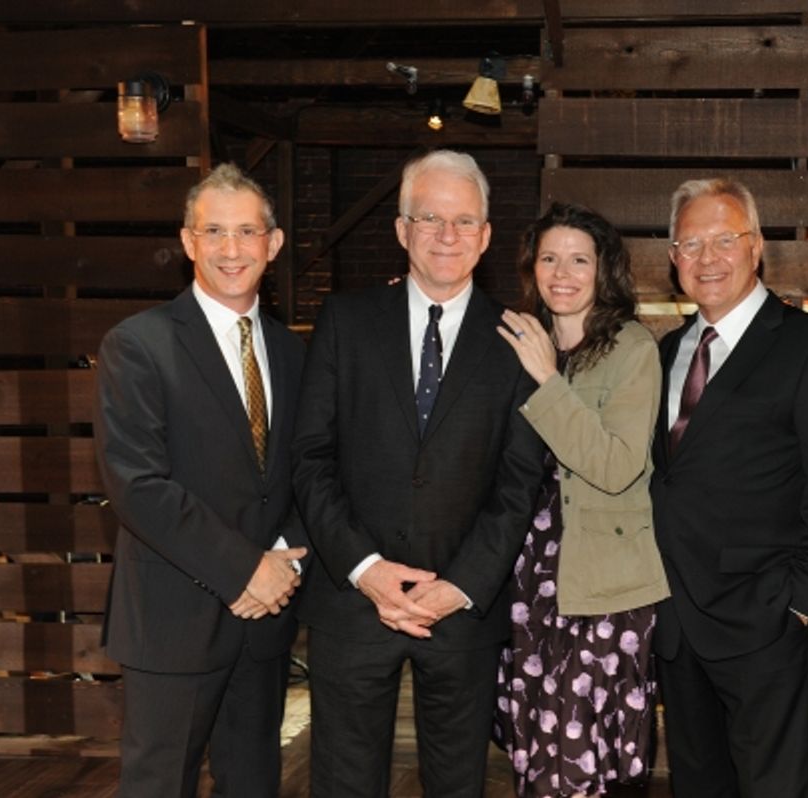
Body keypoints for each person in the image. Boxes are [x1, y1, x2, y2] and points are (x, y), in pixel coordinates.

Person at [291, 149, 543, 797]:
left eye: (464, 221)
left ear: (486, 237)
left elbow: (519, 483)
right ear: (401, 229)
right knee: (344, 782)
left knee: (458, 783)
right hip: (351, 602)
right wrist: (364, 569)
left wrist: (460, 586)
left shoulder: (517, 339)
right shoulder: (345, 323)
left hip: (460, 609)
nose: (446, 235)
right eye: (429, 217)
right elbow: (310, 459)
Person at [94, 163, 309, 797]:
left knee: (253, 784)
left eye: (247, 232)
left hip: (264, 624)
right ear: (188, 243)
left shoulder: (295, 352)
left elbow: (311, 473)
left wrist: (283, 566)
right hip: (174, 622)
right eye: (213, 231)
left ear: (273, 244)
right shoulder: (138, 346)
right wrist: (247, 569)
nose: (231, 249)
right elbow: (138, 484)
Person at [650, 178, 808, 797]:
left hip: (762, 621)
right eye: (690, 244)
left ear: (757, 247)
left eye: (725, 239)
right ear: (673, 259)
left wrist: (802, 605)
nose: (707, 257)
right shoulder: (667, 352)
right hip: (676, 621)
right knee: (696, 783)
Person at [493, 203, 669, 797]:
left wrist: (548, 380)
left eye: (578, 259)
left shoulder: (631, 348)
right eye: (549, 258)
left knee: (580, 757)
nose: (561, 272)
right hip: (523, 579)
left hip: (601, 584)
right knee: (533, 752)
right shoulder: (516, 338)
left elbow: (616, 467)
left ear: (603, 270)